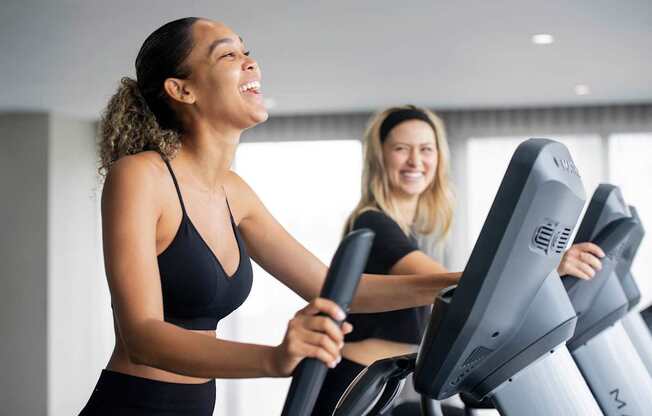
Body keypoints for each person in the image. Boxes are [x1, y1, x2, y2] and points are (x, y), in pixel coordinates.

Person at [78, 18, 459, 416]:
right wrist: (275, 359)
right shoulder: (141, 176)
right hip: (131, 404)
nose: (250, 63)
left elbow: (335, 288)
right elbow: (143, 338)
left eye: (247, 52)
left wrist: (460, 283)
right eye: (228, 54)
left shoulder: (234, 191)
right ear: (181, 89)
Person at [311, 105, 606, 416]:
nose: (415, 161)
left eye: (426, 149)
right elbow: (453, 287)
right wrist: (546, 266)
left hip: (388, 383)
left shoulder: (408, 231)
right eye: (401, 149)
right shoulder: (373, 222)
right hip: (357, 387)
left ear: (438, 158)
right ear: (379, 157)